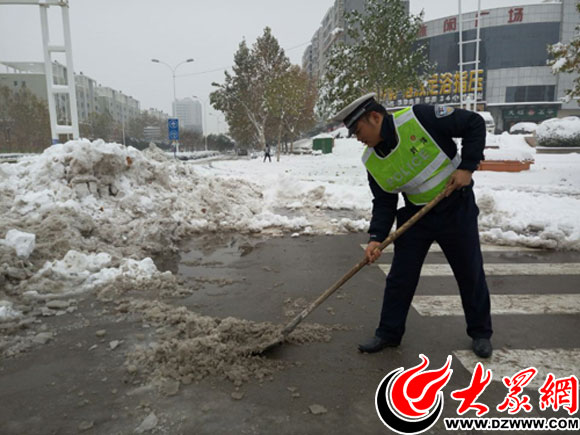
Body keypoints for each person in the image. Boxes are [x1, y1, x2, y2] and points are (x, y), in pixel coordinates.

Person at [333, 93, 493, 358]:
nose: (357, 138)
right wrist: (376, 237)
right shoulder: (372, 161)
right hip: (416, 216)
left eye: (358, 130)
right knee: (400, 277)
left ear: (375, 117)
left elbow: (474, 123)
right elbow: (384, 202)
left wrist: (467, 167)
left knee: (469, 272)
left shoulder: (419, 118)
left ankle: (480, 333)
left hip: (455, 206)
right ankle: (388, 333)